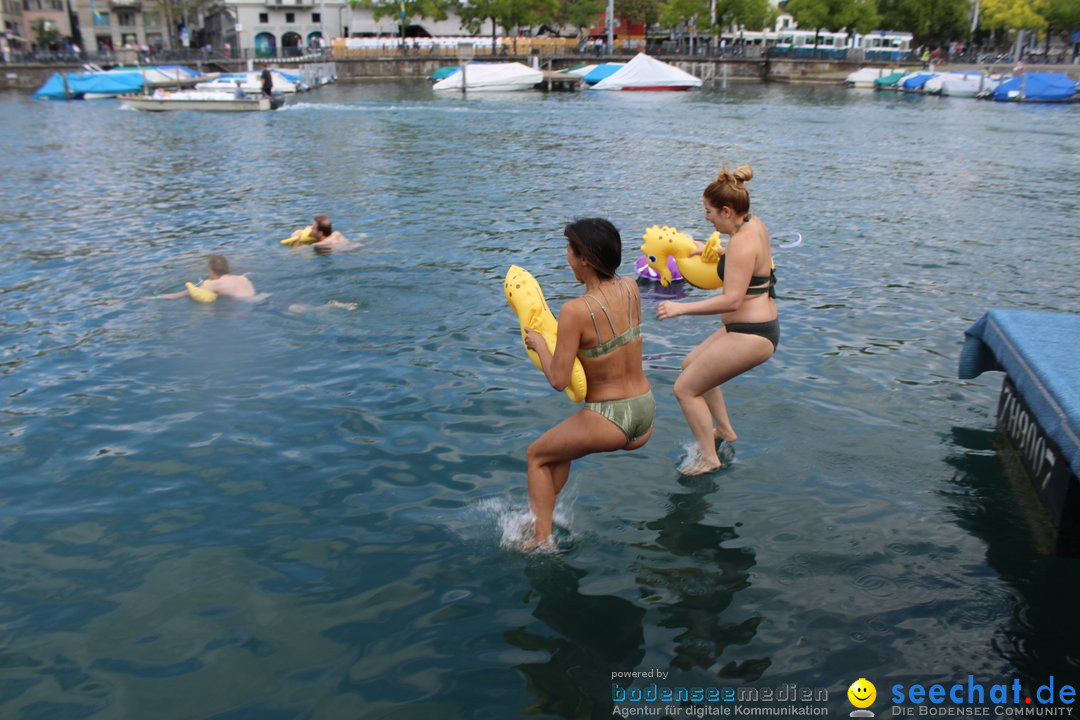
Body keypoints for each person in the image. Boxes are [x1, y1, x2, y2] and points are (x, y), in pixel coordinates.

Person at [523, 218, 654, 547]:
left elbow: (557, 379)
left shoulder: (575, 311)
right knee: (559, 451)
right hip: (646, 409)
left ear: (586, 259)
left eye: (570, 248)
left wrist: (540, 343)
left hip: (610, 418)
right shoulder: (632, 289)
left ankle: (541, 542)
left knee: (537, 455)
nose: (566, 254)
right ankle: (543, 517)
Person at [655, 166, 778, 476]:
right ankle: (724, 430)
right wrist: (712, 250)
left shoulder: (742, 243)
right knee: (690, 364)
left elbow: (732, 300)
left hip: (753, 334)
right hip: (748, 327)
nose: (706, 218)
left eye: (709, 212)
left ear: (726, 210)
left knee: (685, 389)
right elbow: (748, 264)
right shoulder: (752, 226)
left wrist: (681, 309)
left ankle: (709, 459)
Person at [156, 254, 257, 300]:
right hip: (265, 299)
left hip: (251, 306)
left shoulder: (215, 283)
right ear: (227, 268)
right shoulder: (239, 278)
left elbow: (180, 294)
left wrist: (155, 297)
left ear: (211, 270)